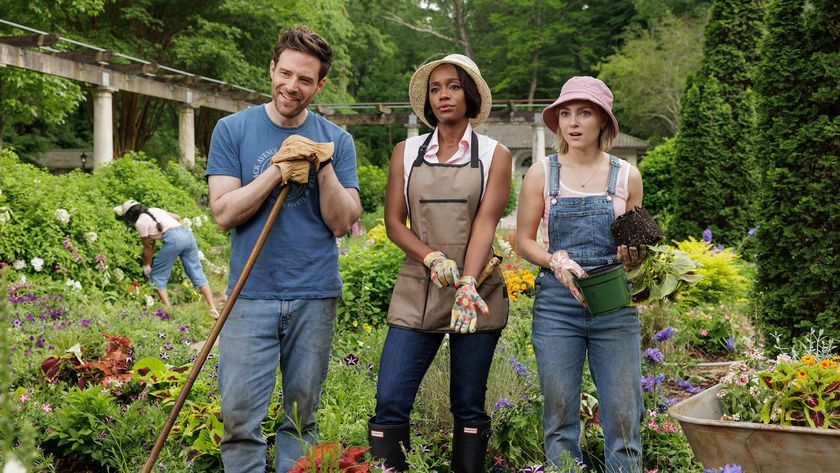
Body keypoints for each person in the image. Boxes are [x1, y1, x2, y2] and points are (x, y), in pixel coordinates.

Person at [205, 25, 360, 472]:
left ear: (320, 84)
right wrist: (276, 171)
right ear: (272, 68)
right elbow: (224, 213)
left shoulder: (337, 140)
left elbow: (342, 220)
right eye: (286, 73)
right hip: (249, 294)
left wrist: (322, 164)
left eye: (305, 79)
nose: (292, 86)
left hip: (314, 293)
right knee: (238, 418)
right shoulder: (232, 130)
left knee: (300, 419)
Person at [368, 54, 512, 473]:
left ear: (468, 94)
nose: (443, 95)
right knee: (390, 399)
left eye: (452, 86)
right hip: (418, 286)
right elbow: (394, 222)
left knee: (467, 404)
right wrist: (429, 256)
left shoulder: (493, 154)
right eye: (435, 89)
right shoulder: (406, 151)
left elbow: (485, 224)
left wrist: (467, 282)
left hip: (477, 289)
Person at [516, 76, 646, 472]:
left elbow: (636, 248)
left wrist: (635, 258)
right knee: (560, 418)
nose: (573, 122)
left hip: (613, 306)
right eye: (566, 114)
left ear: (602, 122)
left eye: (584, 113)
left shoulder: (626, 177)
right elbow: (522, 240)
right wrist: (554, 260)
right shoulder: (541, 174)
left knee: (624, 418)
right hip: (558, 306)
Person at [117, 199, 218, 316]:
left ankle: (169, 311)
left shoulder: (139, 223)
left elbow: (147, 247)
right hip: (187, 235)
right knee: (196, 271)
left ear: (130, 215)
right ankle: (213, 308)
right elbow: (178, 217)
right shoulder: (154, 210)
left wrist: (146, 266)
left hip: (174, 239)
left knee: (157, 276)